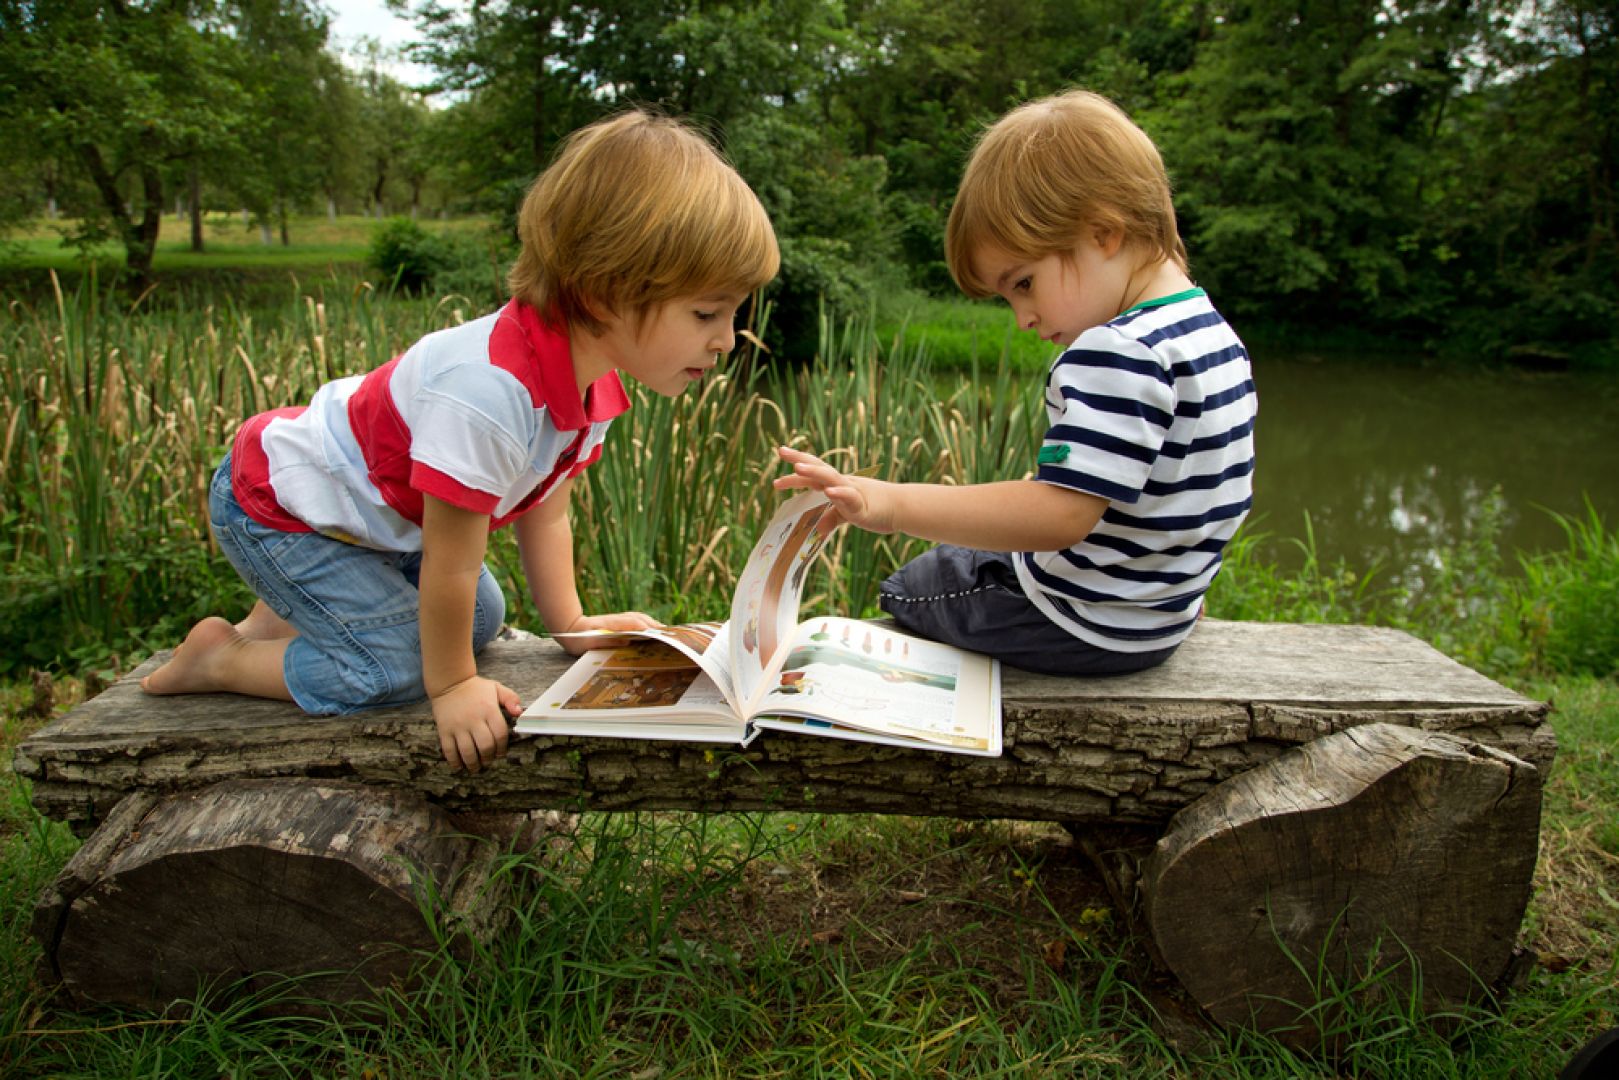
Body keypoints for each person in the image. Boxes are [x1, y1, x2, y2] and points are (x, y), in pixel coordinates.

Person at [142, 110, 780, 770]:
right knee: (394, 667)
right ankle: (222, 658)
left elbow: (546, 505)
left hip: (370, 523)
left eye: (732, 313)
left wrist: (572, 624)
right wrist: (449, 686)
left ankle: (283, 617)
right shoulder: (488, 393)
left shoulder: (595, 388)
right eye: (706, 312)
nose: (725, 339)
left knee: (480, 618)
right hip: (282, 508)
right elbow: (449, 561)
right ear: (601, 292)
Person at [776, 89, 1255, 677]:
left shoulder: (1115, 349)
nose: (1023, 319)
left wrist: (890, 501)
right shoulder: (1211, 334)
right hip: (1161, 619)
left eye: (1023, 284)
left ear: (1103, 233)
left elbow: (1059, 516)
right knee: (974, 552)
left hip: (1081, 623)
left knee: (911, 585)